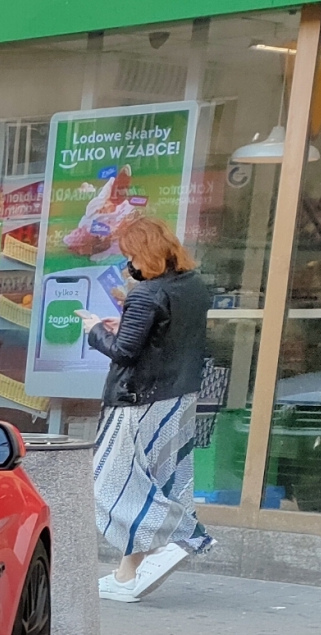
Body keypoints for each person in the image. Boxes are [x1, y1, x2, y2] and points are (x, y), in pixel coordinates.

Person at [89, 217, 214, 603]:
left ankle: (183, 536)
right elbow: (164, 335)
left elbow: (125, 352)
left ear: (144, 253)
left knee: (110, 484)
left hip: (138, 400)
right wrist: (124, 324)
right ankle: (127, 575)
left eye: (130, 256)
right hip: (179, 398)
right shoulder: (194, 288)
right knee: (151, 483)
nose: (130, 265)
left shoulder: (145, 294)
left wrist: (96, 330)